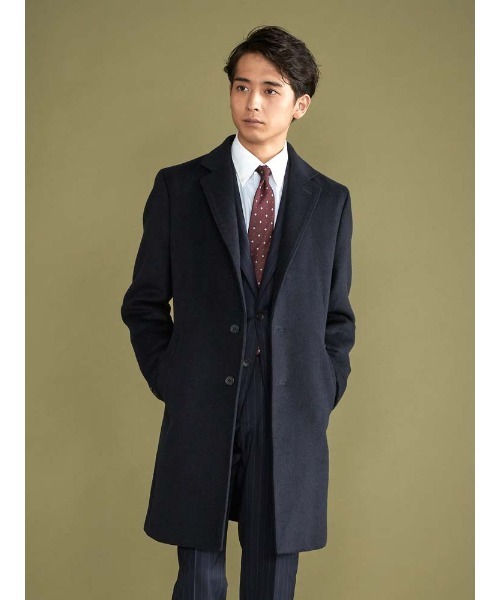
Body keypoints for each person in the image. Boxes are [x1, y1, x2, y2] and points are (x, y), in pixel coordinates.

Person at [121, 24, 356, 600]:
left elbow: (336, 317)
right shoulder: (179, 188)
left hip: (289, 414)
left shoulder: (330, 201)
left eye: (271, 90)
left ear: (300, 104)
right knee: (199, 580)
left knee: (272, 583)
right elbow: (144, 302)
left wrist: (320, 386)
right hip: (202, 404)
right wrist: (173, 377)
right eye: (241, 86)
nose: (253, 102)